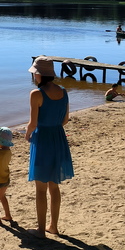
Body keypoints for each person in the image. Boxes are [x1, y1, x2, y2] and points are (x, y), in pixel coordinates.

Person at [25, 56, 74, 238]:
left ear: (38, 74)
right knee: (54, 186)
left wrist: (28, 134)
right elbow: (66, 119)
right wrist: (54, 127)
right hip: (58, 138)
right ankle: (53, 227)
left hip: (43, 139)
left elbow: (33, 123)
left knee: (40, 188)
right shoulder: (64, 91)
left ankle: (40, 230)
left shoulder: (36, 94)